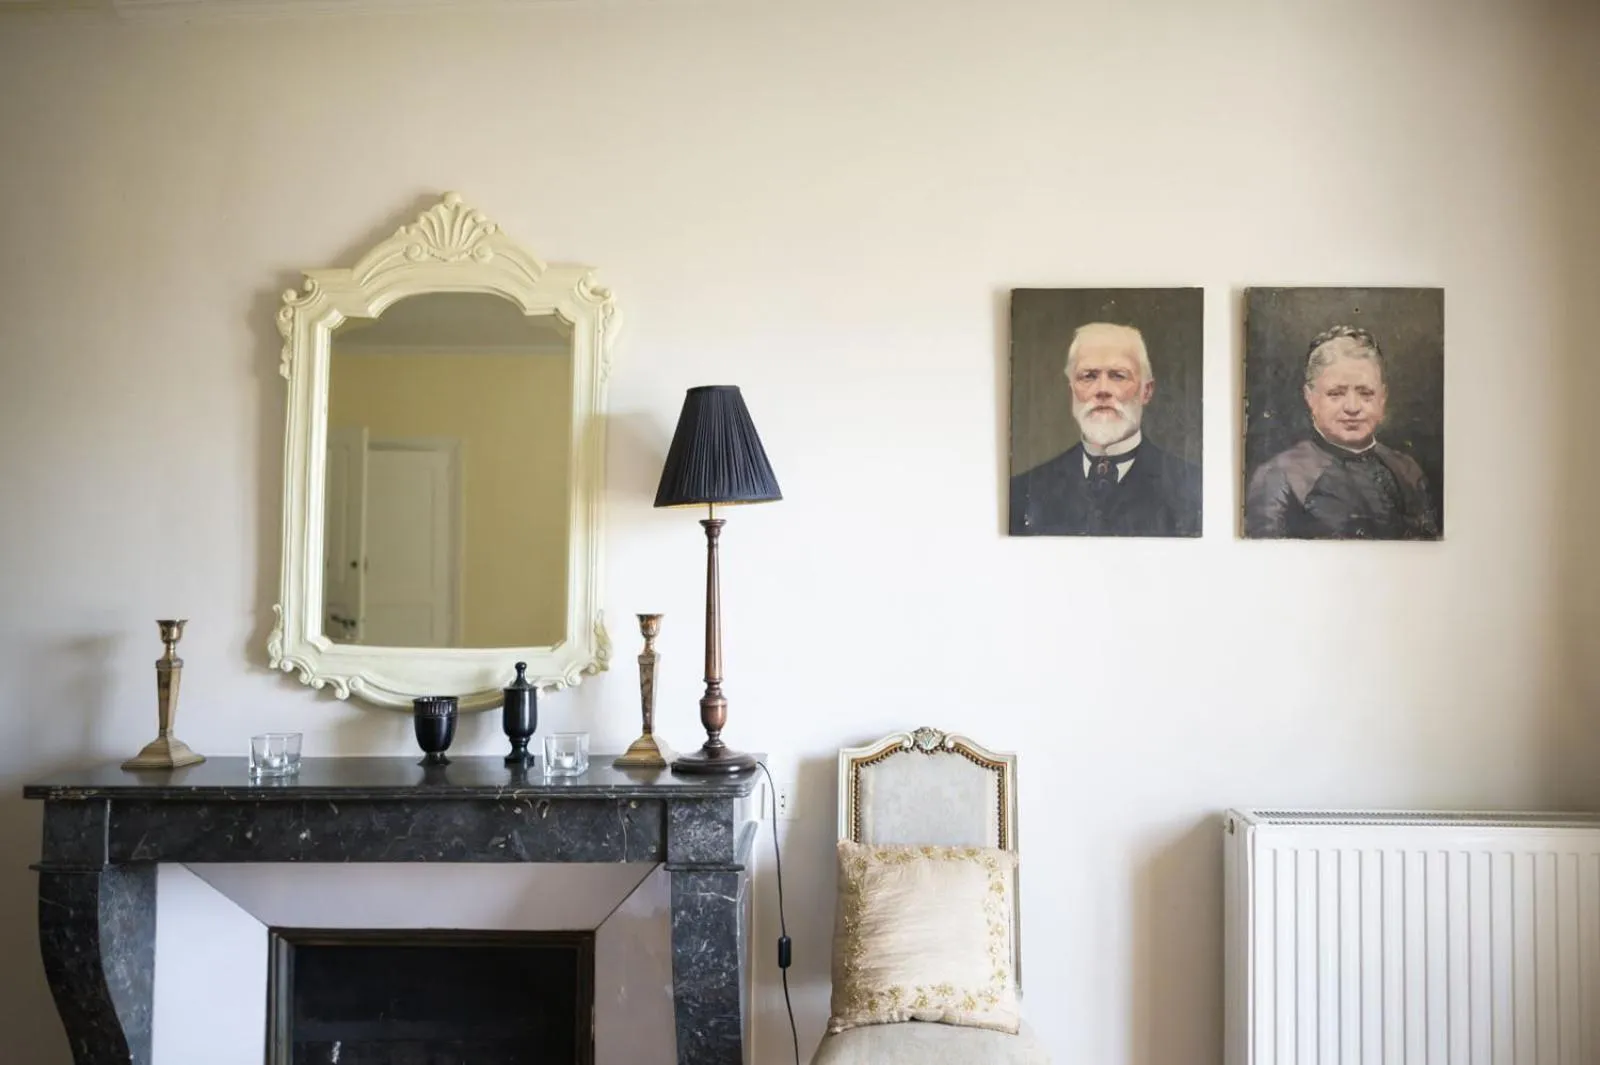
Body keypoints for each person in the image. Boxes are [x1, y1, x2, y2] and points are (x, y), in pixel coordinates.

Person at [1245, 325, 1439, 540]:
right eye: (1336, 394)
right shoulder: (1279, 476)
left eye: (1366, 393)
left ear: (1382, 398)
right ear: (1310, 397)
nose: (1352, 407)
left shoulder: (1407, 472)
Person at [1009, 322, 1201, 537]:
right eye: (1088, 376)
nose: (1102, 390)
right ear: (1072, 390)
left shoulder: (1194, 488)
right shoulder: (1023, 491)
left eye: (1118, 375)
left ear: (1146, 391)